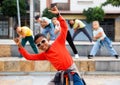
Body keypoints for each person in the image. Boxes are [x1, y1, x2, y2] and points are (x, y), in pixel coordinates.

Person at [14, 6, 85, 85]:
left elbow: (64, 27)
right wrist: (20, 46)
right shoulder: (45, 55)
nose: (42, 45)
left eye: (43, 41)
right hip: (61, 75)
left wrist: (58, 15)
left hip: (72, 72)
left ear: (47, 40)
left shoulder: (58, 42)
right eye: (38, 45)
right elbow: (29, 57)